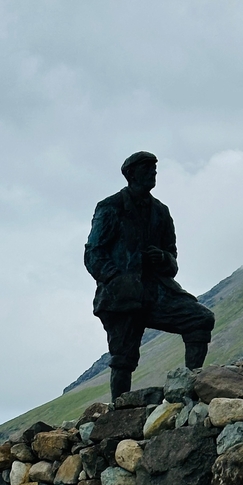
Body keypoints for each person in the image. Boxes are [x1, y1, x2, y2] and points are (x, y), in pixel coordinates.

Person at [84, 151, 215, 401]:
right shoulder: (110, 207)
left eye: (154, 169)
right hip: (122, 294)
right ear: (131, 174)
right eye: (147, 169)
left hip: (157, 291)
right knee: (123, 358)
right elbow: (94, 251)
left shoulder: (161, 212)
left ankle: (192, 389)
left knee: (200, 319)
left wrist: (164, 258)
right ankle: (118, 409)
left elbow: (172, 256)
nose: (153, 173)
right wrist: (114, 278)